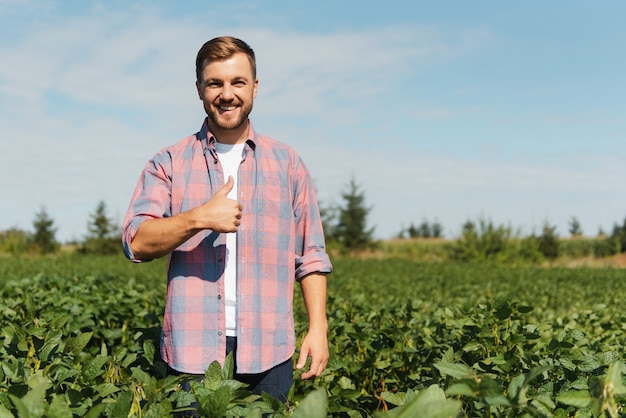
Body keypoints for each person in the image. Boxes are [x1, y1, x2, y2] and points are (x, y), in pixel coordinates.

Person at [121, 36, 332, 407]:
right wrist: (199, 217)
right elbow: (136, 241)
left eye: (237, 82)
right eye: (215, 83)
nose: (227, 93)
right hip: (192, 355)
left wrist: (319, 327)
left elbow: (311, 255)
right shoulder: (168, 162)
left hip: (270, 351)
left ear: (254, 86)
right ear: (199, 89)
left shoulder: (288, 164)